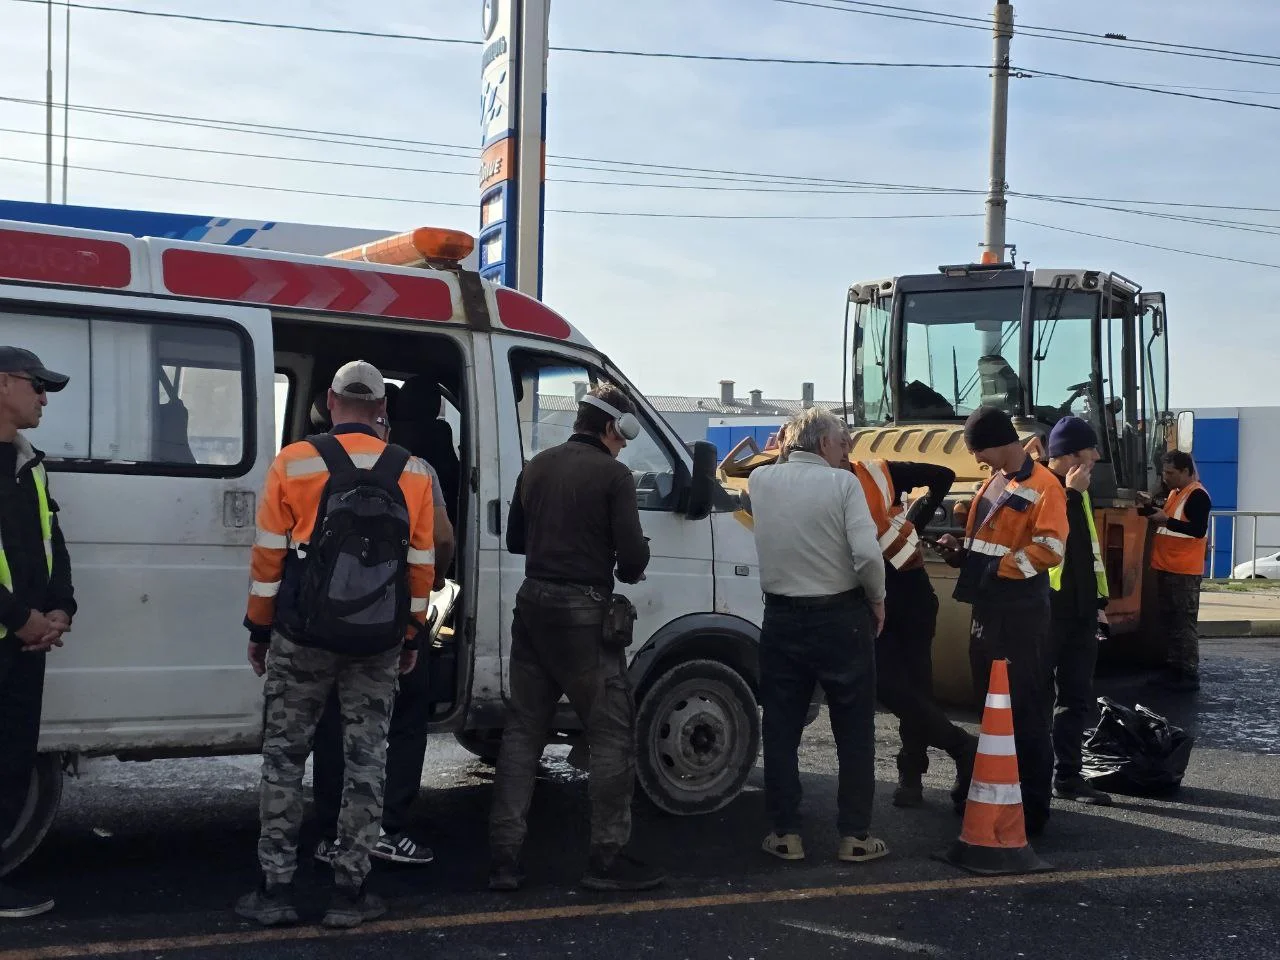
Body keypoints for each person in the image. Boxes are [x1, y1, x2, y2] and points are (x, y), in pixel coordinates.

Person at [236, 361, 436, 930]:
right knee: (366, 761)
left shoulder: (294, 461)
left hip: (302, 636)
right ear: (382, 408)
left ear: (329, 399)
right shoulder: (414, 472)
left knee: (284, 758)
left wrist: (259, 628)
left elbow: (268, 557)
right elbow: (420, 566)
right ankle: (349, 893)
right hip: (377, 641)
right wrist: (410, 634)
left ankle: (274, 889)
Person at [488, 383, 659, 893]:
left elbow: (517, 539)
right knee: (610, 734)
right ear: (612, 428)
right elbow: (631, 562)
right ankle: (606, 859)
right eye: (623, 436)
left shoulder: (536, 465)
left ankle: (503, 860)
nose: (624, 445)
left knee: (523, 731)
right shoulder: (615, 475)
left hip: (533, 604)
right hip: (584, 615)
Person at [310, 393, 457, 870]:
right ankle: (388, 829)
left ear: (334, 405)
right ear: (382, 419)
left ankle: (331, 833)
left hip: (325, 619)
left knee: (333, 722)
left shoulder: (306, 460)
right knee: (404, 719)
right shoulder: (417, 469)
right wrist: (430, 592)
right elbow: (442, 541)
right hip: (393, 619)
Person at [748, 408, 889, 864]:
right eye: (843, 443)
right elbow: (867, 554)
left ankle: (785, 832)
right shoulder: (843, 484)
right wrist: (877, 598)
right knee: (853, 729)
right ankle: (855, 836)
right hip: (840, 616)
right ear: (824, 444)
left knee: (782, 727)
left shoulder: (762, 483)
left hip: (782, 618)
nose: (848, 451)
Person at [934, 406, 1067, 837]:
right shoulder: (994, 483)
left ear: (997, 442)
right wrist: (960, 552)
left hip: (1020, 613)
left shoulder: (1045, 486)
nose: (977, 461)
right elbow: (985, 544)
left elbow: (1049, 549)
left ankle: (1031, 810)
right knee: (990, 708)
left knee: (1026, 711)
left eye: (978, 451)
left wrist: (997, 570)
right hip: (989, 609)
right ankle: (995, 796)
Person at [852, 458, 978, 812]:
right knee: (895, 687)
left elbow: (944, 475)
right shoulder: (826, 480)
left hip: (908, 594)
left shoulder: (875, 472)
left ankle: (912, 774)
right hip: (878, 596)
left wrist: (911, 522)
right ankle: (959, 749)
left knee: (913, 687)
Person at [0, 348, 74, 921]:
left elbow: (53, 541)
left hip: (26, 644)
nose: (44, 398)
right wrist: (17, 617)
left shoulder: (30, 461)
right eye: (37, 386)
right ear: (3, 384)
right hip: (11, 634)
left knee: (11, 763)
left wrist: (60, 609)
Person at [1042, 417, 1113, 806]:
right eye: (1091, 450)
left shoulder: (1079, 490)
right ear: (1069, 455)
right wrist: (1070, 495)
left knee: (1076, 697)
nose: (1098, 456)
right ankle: (1030, 776)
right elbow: (1048, 539)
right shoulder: (1043, 486)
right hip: (1047, 609)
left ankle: (1067, 777)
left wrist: (1099, 604)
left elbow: (1088, 552)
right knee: (1037, 696)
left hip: (1081, 611)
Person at [1147, 450, 1211, 692]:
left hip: (1184, 571)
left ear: (1185, 472)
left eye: (1171, 473)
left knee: (1183, 624)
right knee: (1171, 622)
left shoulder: (1197, 495)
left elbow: (1197, 529)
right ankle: (1174, 669)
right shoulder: (1176, 493)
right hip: (1169, 567)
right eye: (1164, 472)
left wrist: (1165, 520)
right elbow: (1168, 523)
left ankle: (1187, 674)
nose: (1166, 477)